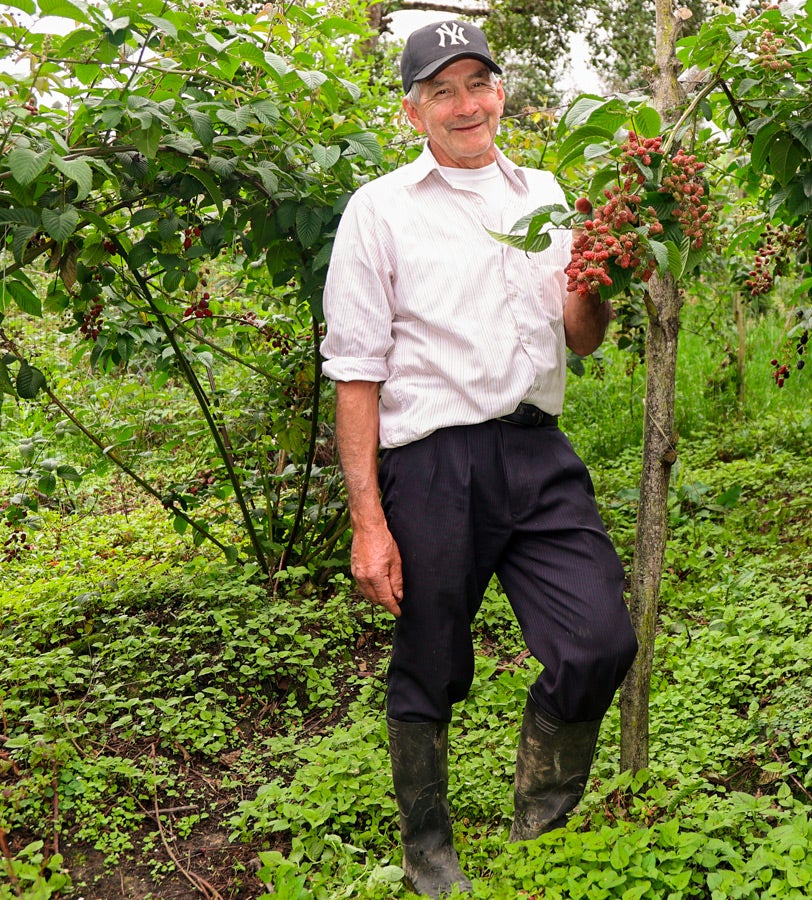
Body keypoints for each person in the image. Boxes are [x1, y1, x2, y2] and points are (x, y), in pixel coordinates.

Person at [319, 19, 638, 898]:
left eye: (478, 85)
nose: (467, 106)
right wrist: (368, 524)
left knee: (600, 640)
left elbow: (582, 338)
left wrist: (604, 276)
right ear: (414, 110)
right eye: (443, 91)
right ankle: (428, 850)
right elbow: (356, 375)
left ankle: (540, 821)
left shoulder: (545, 191)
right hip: (432, 463)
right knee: (429, 657)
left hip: (537, 452)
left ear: (502, 91)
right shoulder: (380, 210)